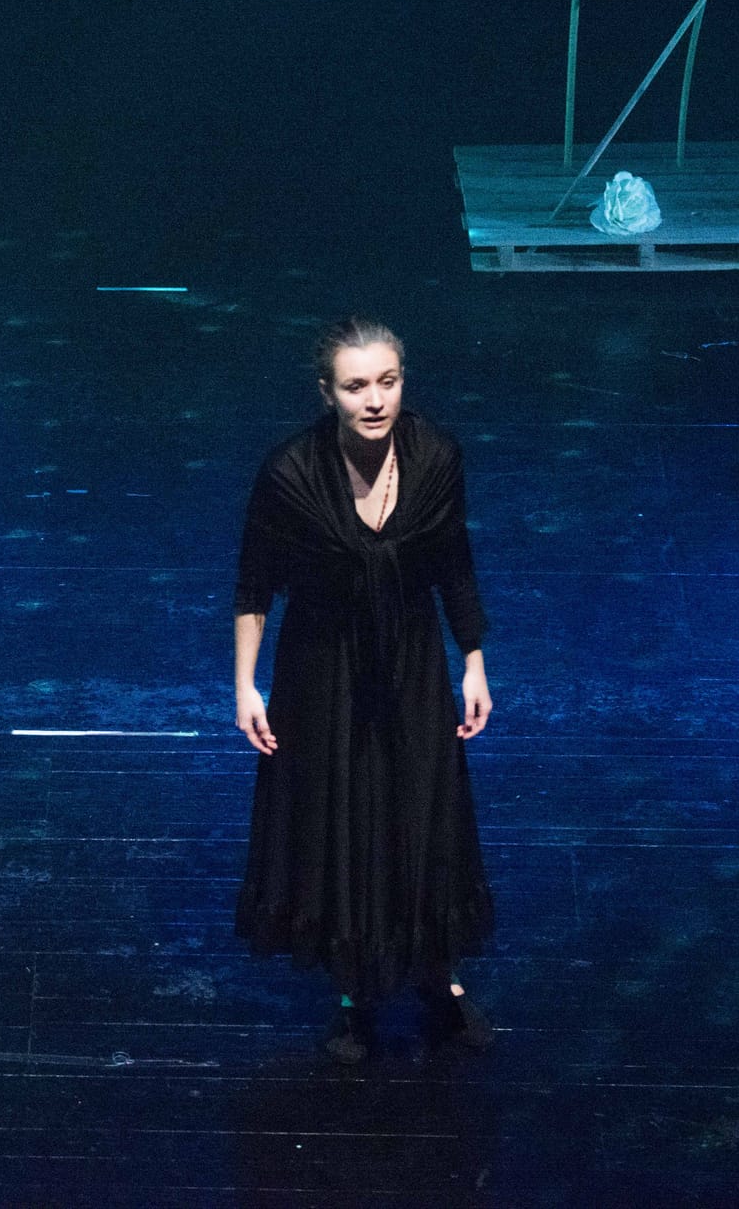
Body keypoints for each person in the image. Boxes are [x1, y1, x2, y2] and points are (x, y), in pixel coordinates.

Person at [232, 318, 495, 1064]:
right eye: (356, 386)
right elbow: (255, 585)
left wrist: (473, 660)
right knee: (343, 820)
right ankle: (353, 994)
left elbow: (453, 561)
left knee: (424, 811)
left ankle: (439, 977)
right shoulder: (289, 472)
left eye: (388, 381)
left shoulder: (435, 455)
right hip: (324, 670)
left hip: (412, 661)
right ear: (327, 393)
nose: (375, 400)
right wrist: (245, 685)